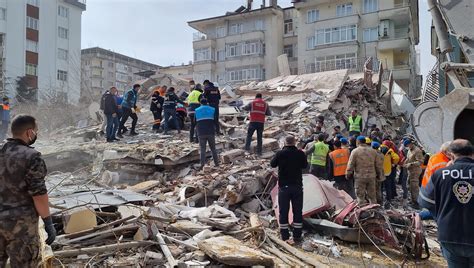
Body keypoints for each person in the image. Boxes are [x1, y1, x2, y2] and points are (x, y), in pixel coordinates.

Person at [0, 115, 56, 267]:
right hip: (21, 226)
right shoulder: (32, 156)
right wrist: (48, 223)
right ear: (29, 132)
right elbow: (38, 194)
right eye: (36, 131)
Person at [418, 139, 474, 267]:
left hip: (450, 235)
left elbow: (425, 201)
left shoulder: (440, 174)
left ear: (452, 155)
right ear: (472, 154)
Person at [270, 135, 308, 244]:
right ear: (295, 142)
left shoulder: (280, 153)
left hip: (284, 188)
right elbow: (305, 166)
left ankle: (285, 236)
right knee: (297, 211)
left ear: (285, 142)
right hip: (297, 187)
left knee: (283, 212)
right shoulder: (300, 153)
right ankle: (297, 236)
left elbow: (272, 164)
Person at [419, 142, 452, 220]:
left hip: (425, 188)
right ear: (447, 152)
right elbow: (443, 183)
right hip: (432, 193)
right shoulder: (443, 164)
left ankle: (419, 215)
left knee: (433, 210)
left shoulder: (435, 156)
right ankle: (418, 216)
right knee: (438, 213)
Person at [346, 136, 381, 204]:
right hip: (371, 177)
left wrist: (348, 173)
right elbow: (378, 165)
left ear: (358, 142)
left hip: (360, 177)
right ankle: (374, 211)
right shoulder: (373, 151)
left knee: (360, 196)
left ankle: (363, 212)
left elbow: (351, 164)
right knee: (372, 196)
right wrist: (379, 175)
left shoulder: (355, 151)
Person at [195, 98, 219, 169]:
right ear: (207, 102)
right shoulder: (212, 109)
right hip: (211, 131)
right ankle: (216, 163)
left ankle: (202, 165)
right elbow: (216, 121)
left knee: (202, 149)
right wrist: (217, 130)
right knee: (213, 149)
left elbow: (194, 122)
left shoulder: (197, 110)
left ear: (200, 103)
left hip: (201, 132)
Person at [403, 139, 424, 208]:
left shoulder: (417, 151)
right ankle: (412, 199)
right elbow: (408, 158)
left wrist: (411, 164)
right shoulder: (410, 150)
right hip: (410, 171)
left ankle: (416, 202)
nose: (407, 147)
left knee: (414, 186)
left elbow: (420, 162)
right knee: (409, 185)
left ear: (411, 144)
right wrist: (405, 162)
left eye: (408, 145)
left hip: (415, 171)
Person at [380, 144, 400, 208]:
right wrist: (394, 164)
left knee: (380, 187)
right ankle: (389, 199)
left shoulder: (379, 150)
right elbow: (397, 158)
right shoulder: (390, 151)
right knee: (387, 186)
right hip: (388, 172)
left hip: (381, 172)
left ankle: (381, 200)